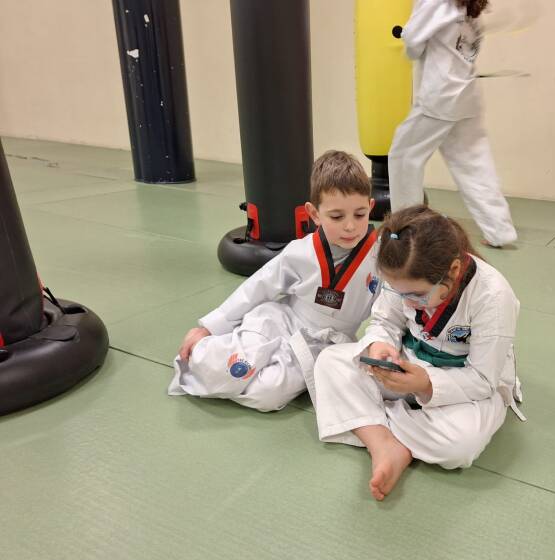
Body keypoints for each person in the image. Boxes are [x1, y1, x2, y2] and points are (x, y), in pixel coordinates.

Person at [313, 206, 524, 501]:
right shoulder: (400, 273)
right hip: (408, 363)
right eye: (400, 293)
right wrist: (380, 345)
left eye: (417, 295)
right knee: (329, 362)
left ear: (453, 270)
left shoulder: (493, 296)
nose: (408, 303)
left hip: (466, 384)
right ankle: (385, 444)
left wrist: (425, 384)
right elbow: (385, 322)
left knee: (460, 446)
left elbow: (483, 379)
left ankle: (371, 421)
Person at [168, 151, 381, 411]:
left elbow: (389, 312)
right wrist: (210, 326)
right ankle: (217, 352)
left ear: (371, 207)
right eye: (337, 217)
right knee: (227, 366)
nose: (350, 226)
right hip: (281, 321)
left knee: (267, 395)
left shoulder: (381, 259)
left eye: (359, 214)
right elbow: (257, 287)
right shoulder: (300, 252)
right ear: (314, 214)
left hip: (326, 345)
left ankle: (256, 365)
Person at [389, 0, 518, 248]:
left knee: (403, 157)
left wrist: (408, 37)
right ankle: (499, 231)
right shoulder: (471, 5)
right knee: (474, 163)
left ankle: (407, 230)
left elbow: (413, 44)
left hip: (440, 96)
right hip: (466, 94)